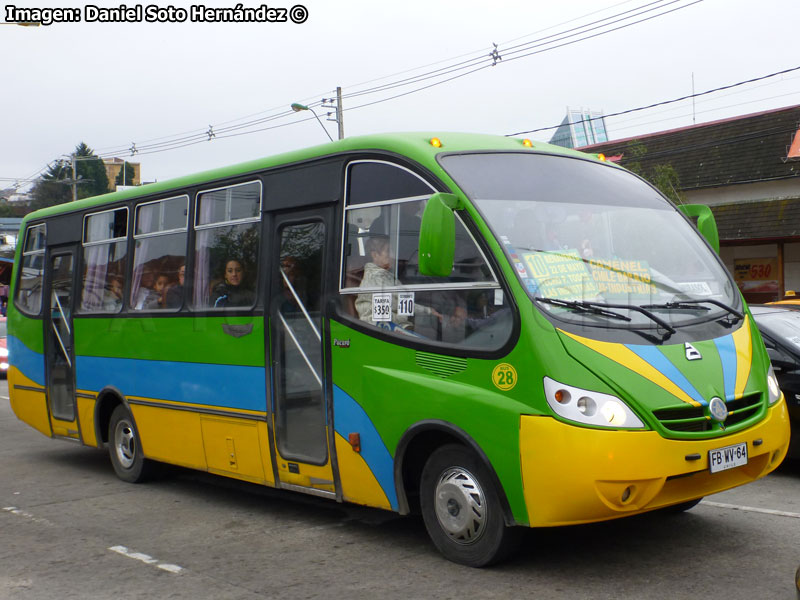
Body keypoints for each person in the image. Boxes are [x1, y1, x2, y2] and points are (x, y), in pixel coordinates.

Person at [355, 236, 439, 329]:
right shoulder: (374, 278)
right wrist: (406, 316)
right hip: (378, 330)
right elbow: (393, 306)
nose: (392, 255)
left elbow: (404, 301)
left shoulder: (387, 276)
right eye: (388, 251)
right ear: (375, 255)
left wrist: (428, 311)